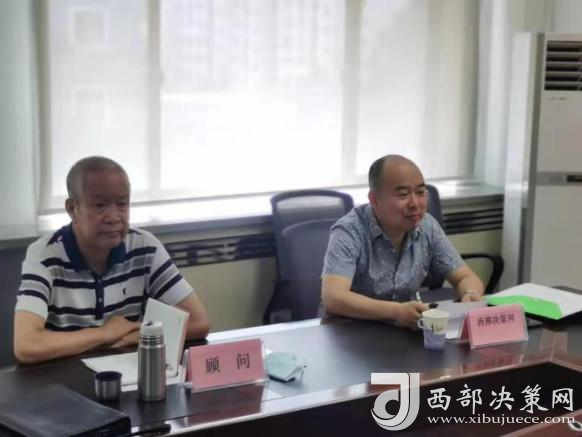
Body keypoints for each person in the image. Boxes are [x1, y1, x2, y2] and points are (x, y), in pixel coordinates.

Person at [14, 156, 210, 363]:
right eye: (100, 205)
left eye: (122, 204)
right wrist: (104, 333)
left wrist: (132, 337)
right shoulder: (44, 255)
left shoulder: (145, 247)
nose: (115, 217)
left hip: (128, 370)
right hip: (63, 374)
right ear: (72, 209)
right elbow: (27, 345)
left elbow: (198, 322)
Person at [321, 154, 484, 329]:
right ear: (374, 199)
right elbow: (333, 298)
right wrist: (395, 311)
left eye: (420, 192)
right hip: (350, 330)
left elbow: (466, 277)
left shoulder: (427, 226)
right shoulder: (349, 231)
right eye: (403, 194)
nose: (415, 204)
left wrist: (470, 294)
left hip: (404, 329)